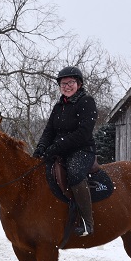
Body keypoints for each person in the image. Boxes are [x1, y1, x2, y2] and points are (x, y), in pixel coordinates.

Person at [33, 66, 98, 236]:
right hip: (59, 150)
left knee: (75, 174)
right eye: (63, 83)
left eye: (70, 82)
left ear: (79, 83)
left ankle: (87, 222)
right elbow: (49, 131)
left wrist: (57, 146)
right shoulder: (59, 106)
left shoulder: (87, 102)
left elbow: (83, 133)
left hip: (82, 150)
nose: (67, 86)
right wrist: (41, 147)